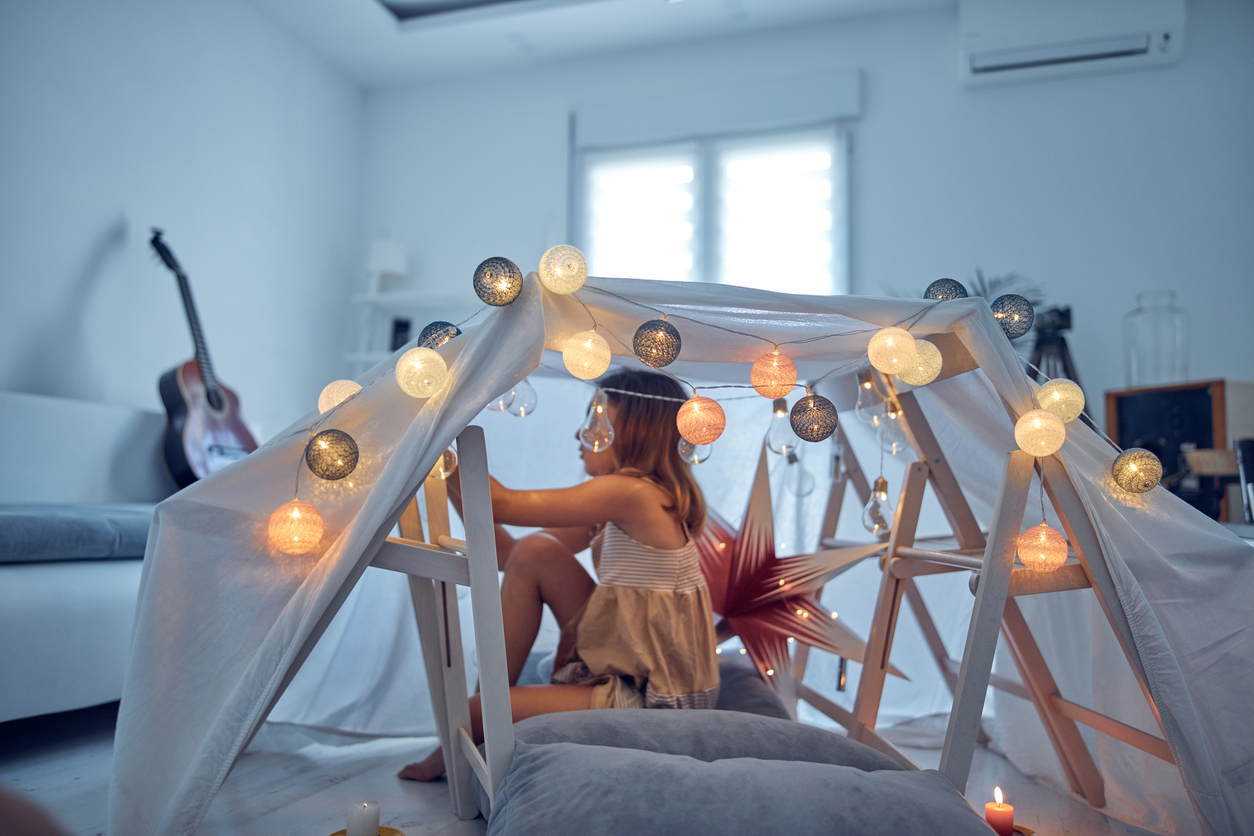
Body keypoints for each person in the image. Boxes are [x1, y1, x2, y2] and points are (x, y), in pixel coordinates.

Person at [399, 369, 720, 781]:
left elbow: (503, 504)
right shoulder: (625, 500)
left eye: (595, 423)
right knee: (536, 553)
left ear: (635, 433)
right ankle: (487, 712)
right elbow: (509, 555)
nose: (581, 436)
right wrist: (447, 472)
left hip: (658, 698)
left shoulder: (632, 493)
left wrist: (441, 435)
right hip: (634, 662)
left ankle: (481, 718)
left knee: (474, 713)